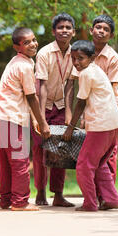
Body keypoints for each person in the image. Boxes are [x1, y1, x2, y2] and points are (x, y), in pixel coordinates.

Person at [0, 27, 51, 211]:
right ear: (17, 47)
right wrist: (42, 123)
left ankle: (6, 200)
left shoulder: (16, 61)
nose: (33, 44)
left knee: (8, 161)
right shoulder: (24, 65)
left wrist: (33, 120)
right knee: (20, 160)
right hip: (9, 117)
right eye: (26, 42)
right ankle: (20, 201)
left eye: (33, 40)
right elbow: (32, 97)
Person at [63, 40, 118, 212]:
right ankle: (111, 199)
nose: (76, 63)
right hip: (113, 123)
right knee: (100, 164)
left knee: (83, 165)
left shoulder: (87, 73)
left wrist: (70, 128)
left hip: (101, 125)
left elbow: (80, 103)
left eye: (80, 58)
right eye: (73, 59)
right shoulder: (95, 70)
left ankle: (90, 203)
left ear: (92, 57)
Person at [67, 14, 118, 183]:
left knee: (107, 155)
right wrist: (76, 115)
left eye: (106, 30)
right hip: (90, 110)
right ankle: (99, 194)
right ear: (91, 30)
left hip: (106, 111)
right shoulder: (81, 52)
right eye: (98, 28)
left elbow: (112, 89)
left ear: (111, 35)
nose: (101, 32)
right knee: (92, 155)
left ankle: (107, 194)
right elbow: (73, 84)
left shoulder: (113, 57)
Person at [32, 12, 76, 207]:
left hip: (60, 106)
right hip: (43, 106)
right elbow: (41, 86)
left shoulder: (75, 52)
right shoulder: (44, 53)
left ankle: (58, 194)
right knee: (41, 149)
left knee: (61, 149)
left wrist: (68, 112)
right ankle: (40, 192)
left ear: (73, 32)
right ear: (53, 31)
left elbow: (71, 85)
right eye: (60, 27)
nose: (64, 31)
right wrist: (40, 118)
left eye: (68, 28)